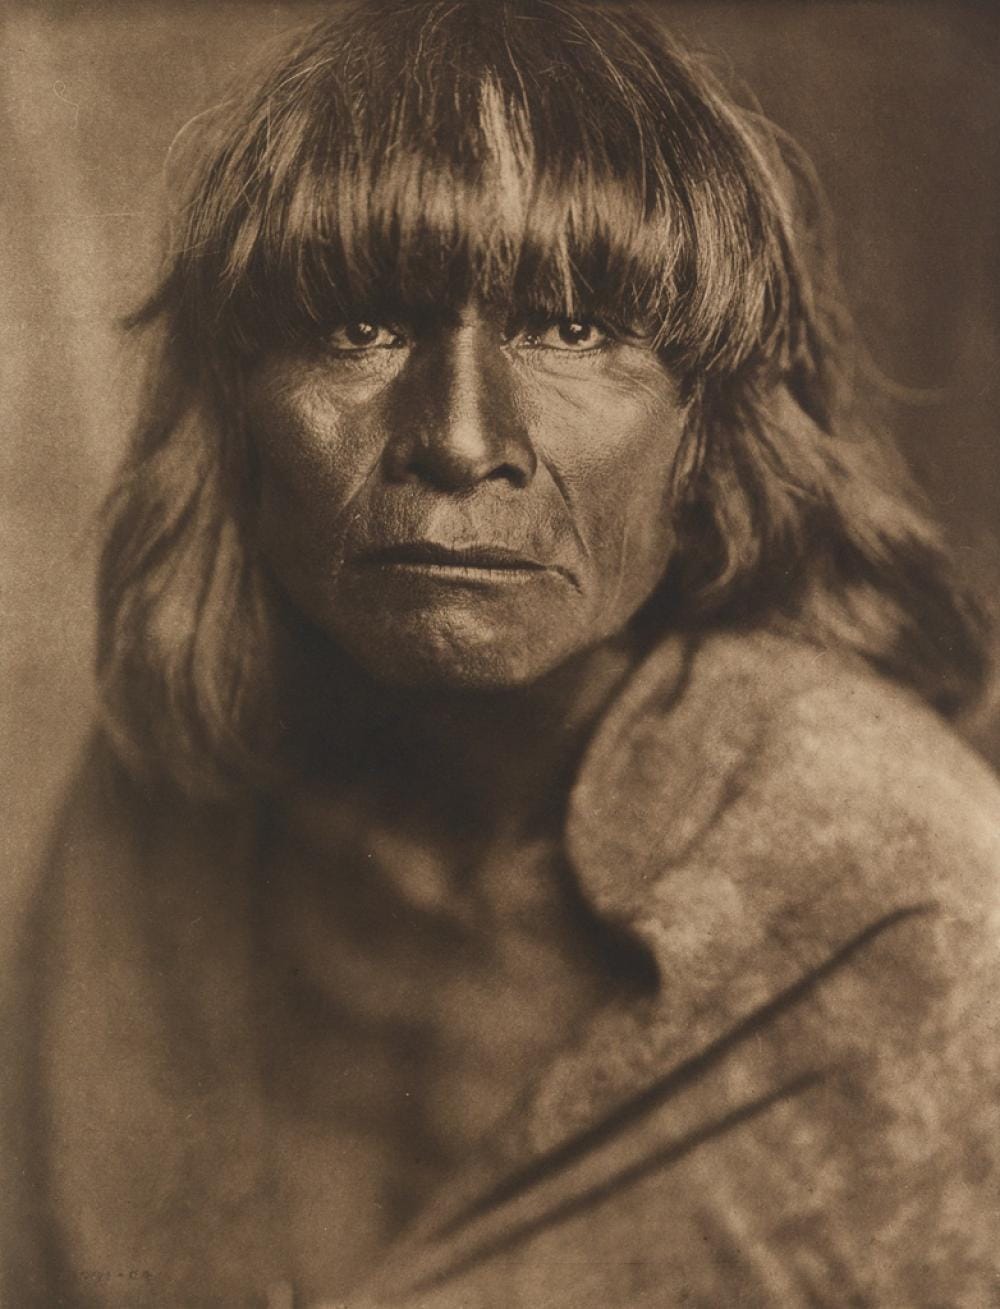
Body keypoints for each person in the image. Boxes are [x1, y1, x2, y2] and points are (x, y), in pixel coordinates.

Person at [4, 1, 999, 1305]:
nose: (463, 437)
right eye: (361, 325)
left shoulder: (898, 898)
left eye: (574, 326)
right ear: (234, 415)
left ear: (710, 433)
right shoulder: (163, 810)